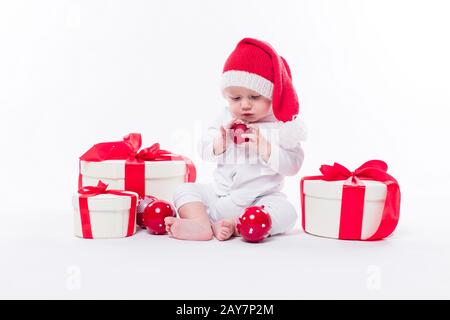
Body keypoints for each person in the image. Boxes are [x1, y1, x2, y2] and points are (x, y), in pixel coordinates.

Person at [165, 37, 305, 241]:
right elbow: (203, 148)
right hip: (219, 196)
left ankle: (238, 225)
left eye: (255, 97)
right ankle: (200, 223)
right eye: (236, 98)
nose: (245, 105)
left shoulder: (282, 127)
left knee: (288, 213)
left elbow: (293, 166)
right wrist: (220, 142)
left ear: (272, 95)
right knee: (184, 189)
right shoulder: (225, 118)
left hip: (259, 201)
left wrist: (266, 148)